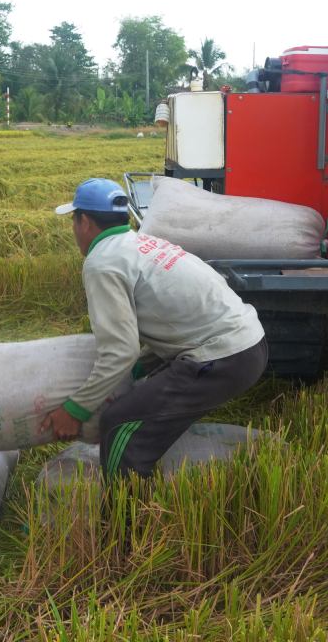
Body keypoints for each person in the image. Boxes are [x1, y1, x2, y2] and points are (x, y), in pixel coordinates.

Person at [40, 178, 267, 481]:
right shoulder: (142, 242)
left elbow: (120, 350)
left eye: (73, 221)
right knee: (145, 402)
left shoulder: (102, 262)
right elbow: (173, 321)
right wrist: (138, 369)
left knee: (119, 422)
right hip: (248, 345)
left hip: (220, 358)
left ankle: (126, 523)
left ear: (84, 222)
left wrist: (75, 410)